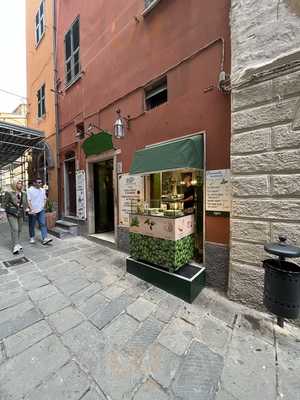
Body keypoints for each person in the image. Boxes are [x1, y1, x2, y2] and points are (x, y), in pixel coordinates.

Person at [3, 180, 28, 255]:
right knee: (15, 229)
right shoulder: (9, 193)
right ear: (14, 184)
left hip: (20, 214)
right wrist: (2, 212)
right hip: (11, 213)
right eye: (18, 183)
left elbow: (25, 203)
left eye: (21, 183)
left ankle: (17, 242)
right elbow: (4, 203)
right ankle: (15, 246)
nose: (20, 184)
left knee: (19, 229)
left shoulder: (24, 193)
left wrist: (27, 209)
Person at [27, 178, 52, 245]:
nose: (40, 183)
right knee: (32, 224)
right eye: (38, 182)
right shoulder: (29, 190)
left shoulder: (42, 190)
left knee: (42, 223)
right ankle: (32, 237)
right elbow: (28, 200)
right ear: (34, 183)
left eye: (41, 182)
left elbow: (45, 198)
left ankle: (44, 238)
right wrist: (32, 209)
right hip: (33, 210)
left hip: (41, 210)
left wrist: (43, 206)